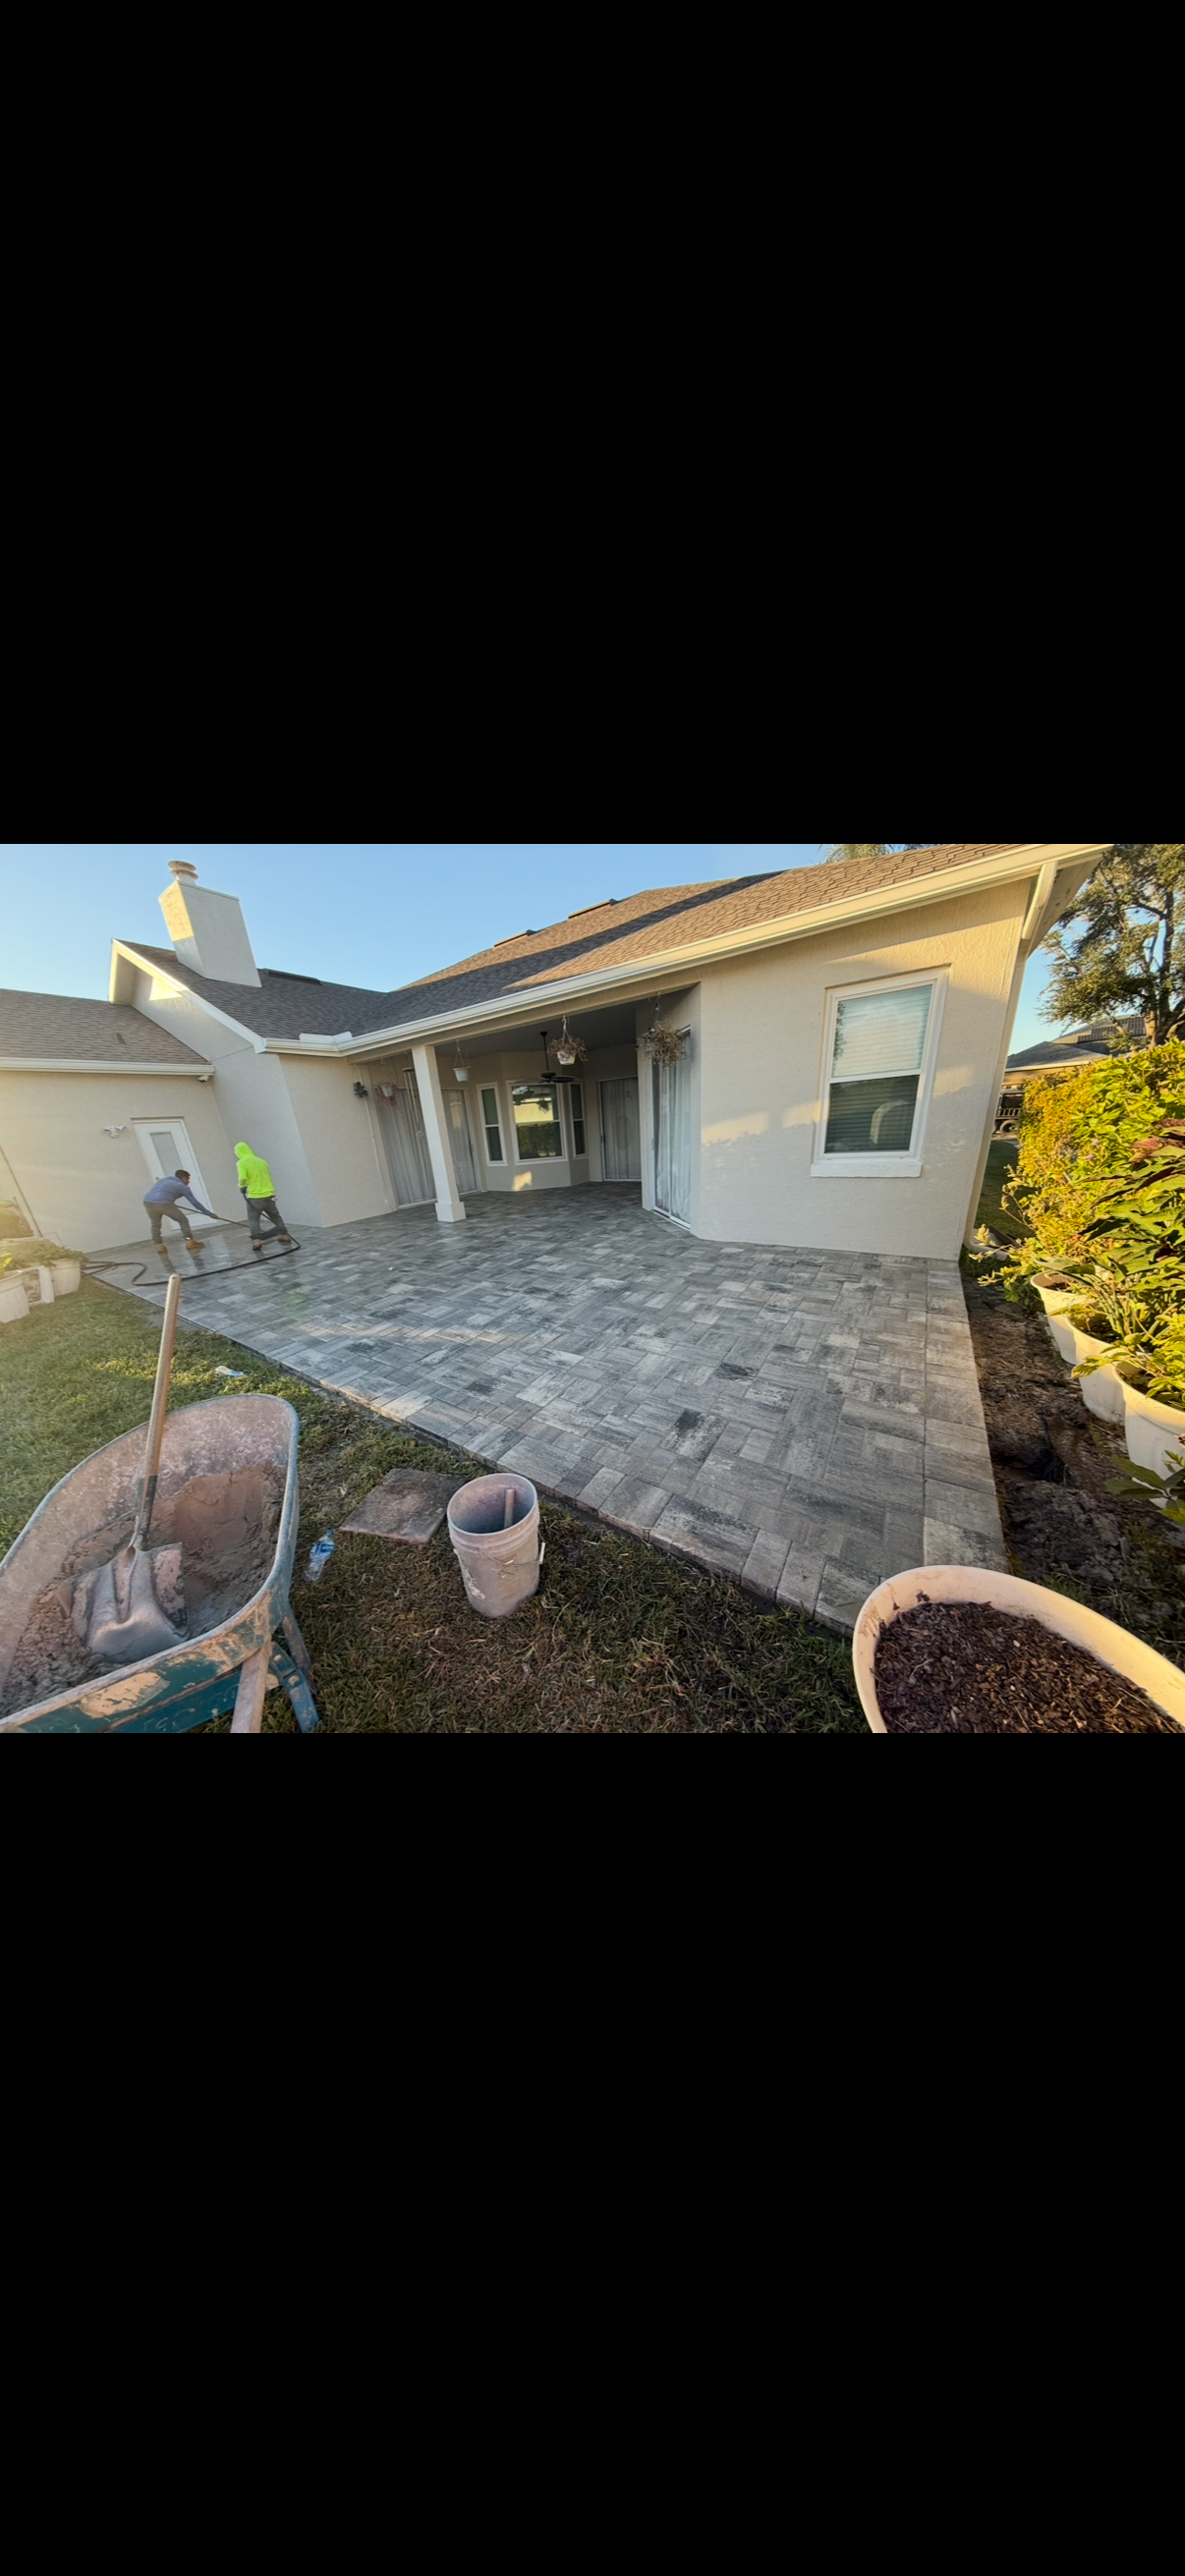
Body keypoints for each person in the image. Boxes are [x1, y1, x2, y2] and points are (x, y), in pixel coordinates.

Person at [235, 1142, 294, 1256]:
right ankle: (284, 1235)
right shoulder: (262, 1161)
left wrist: (242, 1186)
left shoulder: (241, 1162)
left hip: (254, 1196)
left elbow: (243, 1177)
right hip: (269, 1195)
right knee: (275, 1216)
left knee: (254, 1219)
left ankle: (257, 1241)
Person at [143, 1169, 217, 1257]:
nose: (188, 1182)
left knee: (155, 1224)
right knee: (183, 1220)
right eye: (188, 1179)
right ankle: (190, 1242)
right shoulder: (182, 1186)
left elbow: (161, 1192)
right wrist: (208, 1213)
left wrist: (169, 1201)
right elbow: (194, 1202)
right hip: (164, 1203)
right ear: (183, 1178)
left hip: (148, 1202)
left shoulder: (164, 1180)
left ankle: (159, 1246)